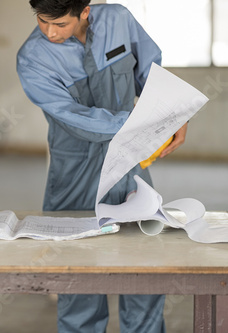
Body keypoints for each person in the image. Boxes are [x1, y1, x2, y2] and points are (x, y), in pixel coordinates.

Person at [17, 0, 188, 332]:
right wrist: (148, 122)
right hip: (75, 172)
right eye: (42, 21)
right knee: (79, 279)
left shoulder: (118, 19)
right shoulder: (33, 58)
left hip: (131, 166)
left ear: (85, 11)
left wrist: (173, 111)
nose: (50, 32)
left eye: (60, 24)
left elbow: (151, 69)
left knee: (145, 273)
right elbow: (76, 120)